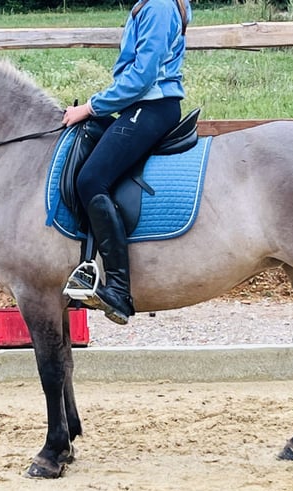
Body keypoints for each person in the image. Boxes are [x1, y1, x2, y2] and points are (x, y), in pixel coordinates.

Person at [62, 0, 191, 325]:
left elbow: (142, 77)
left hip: (152, 105)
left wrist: (91, 107)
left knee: (91, 179)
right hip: (144, 104)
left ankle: (118, 288)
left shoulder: (158, 6)